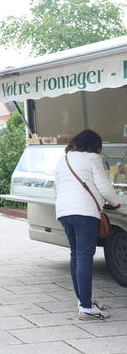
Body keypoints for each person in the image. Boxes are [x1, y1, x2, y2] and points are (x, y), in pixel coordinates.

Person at [55, 129, 121, 321]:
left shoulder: (64, 159)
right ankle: (86, 308)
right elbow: (104, 186)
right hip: (84, 212)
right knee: (84, 257)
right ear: (94, 146)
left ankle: (83, 301)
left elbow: (58, 186)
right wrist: (115, 203)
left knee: (76, 255)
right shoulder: (92, 158)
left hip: (64, 212)